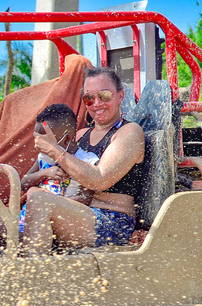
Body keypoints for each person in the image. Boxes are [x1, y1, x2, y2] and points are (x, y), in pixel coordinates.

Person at [23, 67, 145, 254]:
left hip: (111, 220)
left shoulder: (129, 133)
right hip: (72, 208)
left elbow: (99, 180)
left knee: (40, 201)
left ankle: (35, 278)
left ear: (120, 96)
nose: (96, 103)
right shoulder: (79, 135)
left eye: (104, 95)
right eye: (89, 98)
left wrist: (54, 150)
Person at [0, 104, 99, 257]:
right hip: (26, 220)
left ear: (67, 139)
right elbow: (22, 183)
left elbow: (85, 197)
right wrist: (44, 173)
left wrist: (53, 203)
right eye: (37, 140)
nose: (38, 147)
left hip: (50, 224)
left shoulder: (86, 161)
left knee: (41, 205)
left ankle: (32, 272)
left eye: (44, 142)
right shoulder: (44, 158)